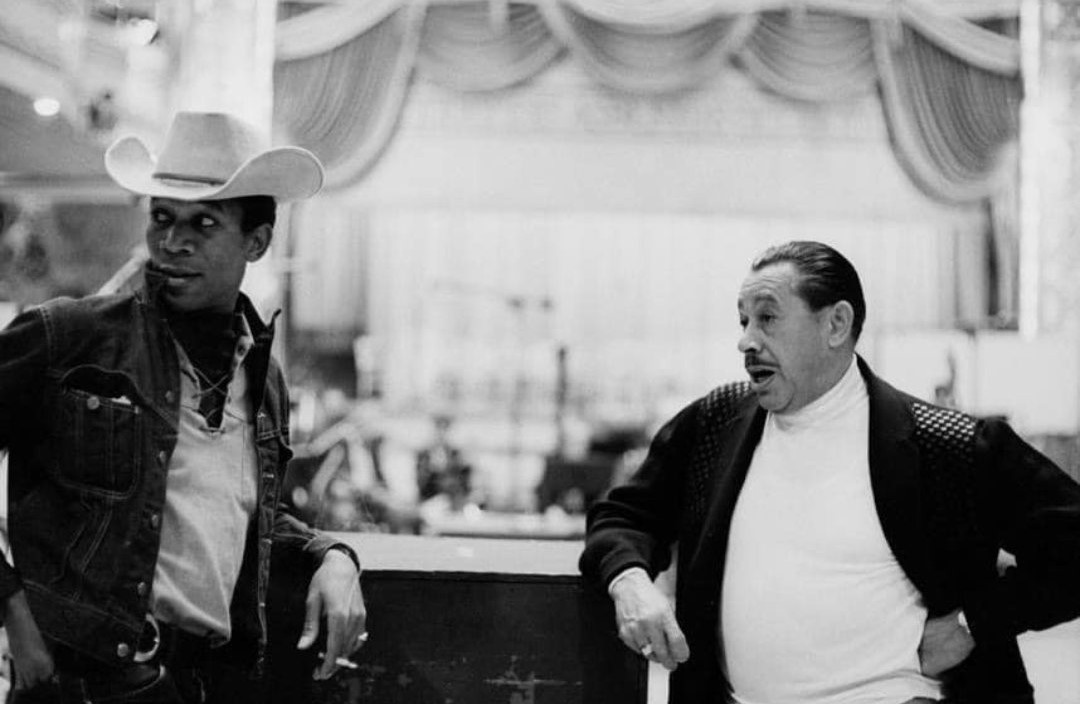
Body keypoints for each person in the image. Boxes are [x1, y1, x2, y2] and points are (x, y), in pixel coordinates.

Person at [580, 241, 1080, 704]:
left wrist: (974, 622)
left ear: (836, 325)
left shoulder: (946, 444)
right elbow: (624, 515)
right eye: (744, 321)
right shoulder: (717, 422)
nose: (746, 341)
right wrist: (630, 581)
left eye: (767, 319)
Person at [0, 111, 367, 703]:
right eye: (162, 218)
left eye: (203, 223)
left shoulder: (263, 379)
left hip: (198, 682)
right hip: (83, 683)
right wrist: (16, 619)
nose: (173, 243)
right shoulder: (71, 337)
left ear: (256, 241)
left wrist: (333, 555)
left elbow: (239, 514)